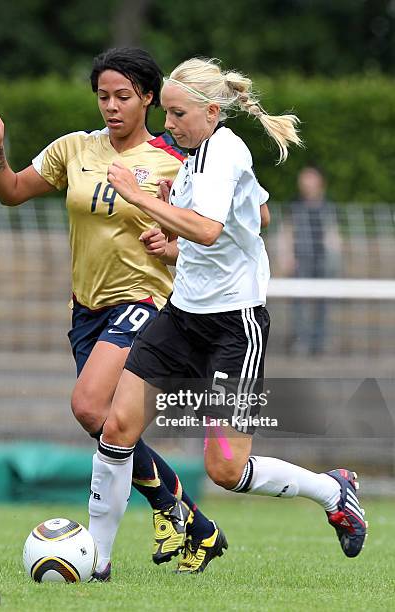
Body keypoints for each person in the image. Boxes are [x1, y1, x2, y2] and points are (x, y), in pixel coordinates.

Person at [88, 57, 367, 576]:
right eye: (166, 113)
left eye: (177, 114)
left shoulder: (226, 150)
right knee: (117, 425)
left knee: (226, 468)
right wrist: (175, 242)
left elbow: (211, 231)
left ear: (212, 111)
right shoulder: (197, 156)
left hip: (234, 328)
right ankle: (96, 561)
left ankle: (334, 490)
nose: (168, 124)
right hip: (181, 315)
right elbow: (255, 216)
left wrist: (143, 200)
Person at [0, 47, 223, 580]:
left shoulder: (177, 158)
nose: (112, 106)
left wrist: (173, 240)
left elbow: (237, 223)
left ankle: (133, 540)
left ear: (149, 98)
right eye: (103, 96)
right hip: (87, 311)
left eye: (123, 97)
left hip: (147, 304)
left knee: (87, 402)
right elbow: (12, 191)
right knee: (101, 420)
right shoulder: (74, 149)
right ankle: (189, 520)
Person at [288, 166, 340, 355]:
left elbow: (333, 235)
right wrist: (288, 257)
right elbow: (287, 232)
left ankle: (320, 341)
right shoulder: (295, 205)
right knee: (299, 303)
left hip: (322, 260)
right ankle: (301, 340)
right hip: (301, 260)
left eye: (310, 178)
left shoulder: (328, 206)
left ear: (320, 182)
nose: (306, 182)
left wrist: (335, 259)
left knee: (323, 303)